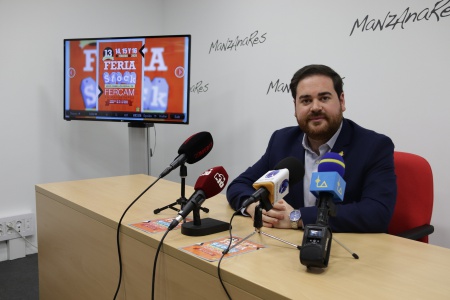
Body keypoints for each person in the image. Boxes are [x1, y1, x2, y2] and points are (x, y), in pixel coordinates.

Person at [226, 64, 397, 233]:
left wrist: (298, 217)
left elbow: (377, 213)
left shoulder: (374, 146)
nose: (315, 107)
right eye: (306, 100)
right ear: (295, 107)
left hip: (346, 250)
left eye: (324, 98)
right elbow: (239, 185)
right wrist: (256, 207)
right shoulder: (282, 141)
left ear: (342, 101)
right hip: (288, 246)